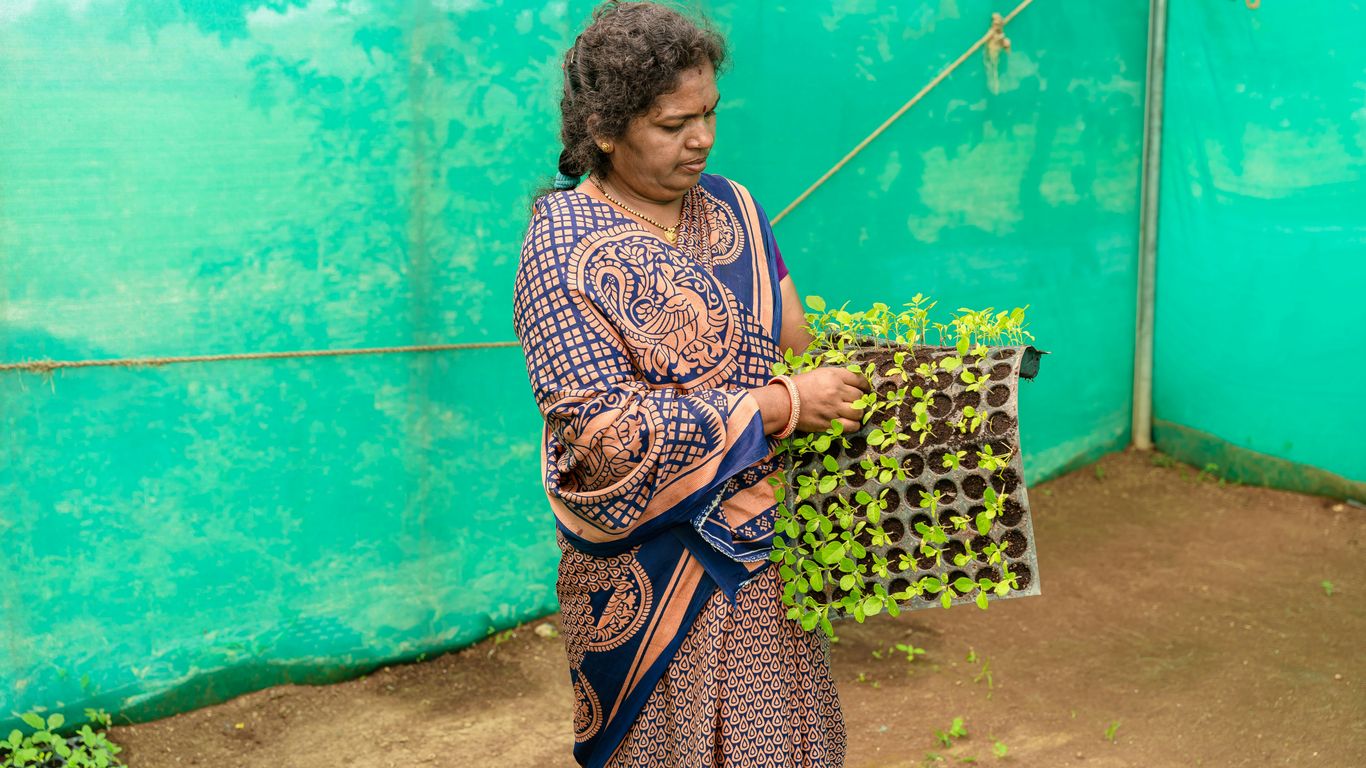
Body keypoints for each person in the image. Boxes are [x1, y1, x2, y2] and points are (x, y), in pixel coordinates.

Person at [512, 3, 869, 766]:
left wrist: (881, 383)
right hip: (652, 575)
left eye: (709, 114)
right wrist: (777, 408)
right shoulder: (561, 247)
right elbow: (599, 434)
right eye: (674, 124)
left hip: (770, 562)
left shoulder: (736, 209)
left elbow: (794, 346)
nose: (701, 138)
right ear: (605, 130)